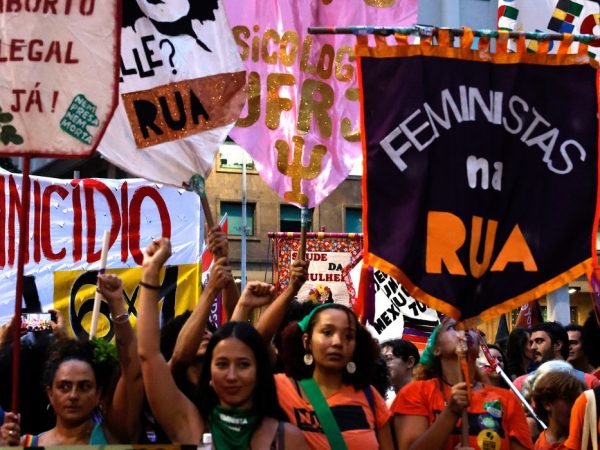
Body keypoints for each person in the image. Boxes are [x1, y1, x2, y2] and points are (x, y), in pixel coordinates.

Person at [137, 237, 306, 448]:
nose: (232, 375)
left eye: (243, 365)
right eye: (222, 364)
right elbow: (149, 355)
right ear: (210, 375)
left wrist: (291, 289)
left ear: (259, 372)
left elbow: (247, 336)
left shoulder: (287, 438)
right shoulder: (191, 426)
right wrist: (150, 271)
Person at [0, 273, 144, 446]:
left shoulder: (114, 435)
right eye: (64, 386)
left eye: (84, 386)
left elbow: (132, 368)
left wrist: (117, 304)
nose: (73, 395)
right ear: (50, 393)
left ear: (98, 394)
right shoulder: (24, 444)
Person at [392, 317, 533, 450]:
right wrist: (451, 412)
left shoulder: (506, 400)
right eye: (453, 327)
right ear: (436, 349)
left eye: (471, 328)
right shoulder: (415, 393)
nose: (464, 330)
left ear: (478, 350)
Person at [277, 302, 394, 449]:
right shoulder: (281, 388)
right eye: (327, 332)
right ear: (307, 342)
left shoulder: (370, 395)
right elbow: (247, 345)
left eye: (348, 336)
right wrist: (244, 305)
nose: (338, 342)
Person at [513, 322, 598, 393]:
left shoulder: (589, 382)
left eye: (539, 341)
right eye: (531, 342)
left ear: (557, 345)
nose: (533, 347)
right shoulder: (520, 383)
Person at [530, 371, 585, 449]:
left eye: (579, 399)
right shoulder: (532, 445)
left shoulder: (590, 441)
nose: (577, 404)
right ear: (547, 404)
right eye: (569, 399)